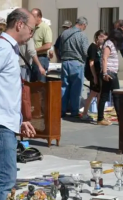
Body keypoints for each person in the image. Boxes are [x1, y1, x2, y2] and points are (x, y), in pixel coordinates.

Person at [0, 8, 36, 200]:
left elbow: (8, 89)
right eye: (32, 30)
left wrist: (20, 119)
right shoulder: (4, 48)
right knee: (5, 180)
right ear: (19, 24)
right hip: (2, 124)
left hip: (8, 122)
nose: (31, 35)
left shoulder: (10, 48)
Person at [60, 17, 89, 118]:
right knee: (76, 89)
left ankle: (61, 110)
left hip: (64, 62)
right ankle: (74, 111)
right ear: (83, 24)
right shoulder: (82, 35)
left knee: (64, 88)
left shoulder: (64, 33)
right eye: (85, 26)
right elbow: (85, 52)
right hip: (77, 63)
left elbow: (59, 48)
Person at [97, 29, 123, 126]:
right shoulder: (109, 44)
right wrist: (104, 73)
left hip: (110, 72)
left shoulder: (110, 44)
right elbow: (104, 58)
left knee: (105, 95)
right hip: (109, 73)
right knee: (116, 95)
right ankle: (120, 119)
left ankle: (100, 118)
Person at [81, 30, 108, 121]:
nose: (104, 41)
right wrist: (95, 77)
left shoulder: (98, 47)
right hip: (93, 74)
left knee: (97, 93)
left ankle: (99, 114)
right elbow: (91, 62)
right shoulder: (93, 47)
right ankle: (86, 114)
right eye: (103, 38)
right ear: (98, 37)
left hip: (97, 73)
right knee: (94, 93)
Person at [31, 8, 53, 82]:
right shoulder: (33, 28)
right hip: (33, 59)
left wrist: (34, 50)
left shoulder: (45, 28)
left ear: (39, 17)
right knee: (33, 83)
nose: (31, 18)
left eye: (33, 16)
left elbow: (48, 45)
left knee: (40, 84)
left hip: (41, 59)